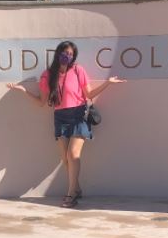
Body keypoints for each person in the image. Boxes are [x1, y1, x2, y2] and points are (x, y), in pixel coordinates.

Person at [7, 40, 125, 208]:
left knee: (73, 154)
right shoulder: (48, 75)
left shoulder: (78, 70)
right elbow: (42, 102)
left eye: (70, 54)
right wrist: (24, 91)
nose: (67, 57)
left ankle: (71, 194)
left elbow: (89, 93)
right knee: (65, 158)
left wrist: (108, 83)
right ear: (58, 54)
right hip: (60, 116)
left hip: (79, 114)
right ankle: (76, 188)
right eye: (65, 53)